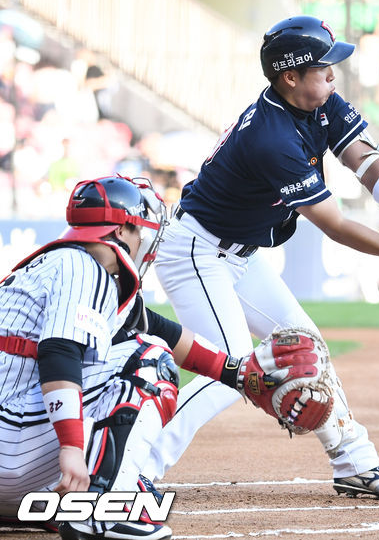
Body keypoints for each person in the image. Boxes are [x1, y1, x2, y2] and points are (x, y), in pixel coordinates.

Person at [144, 15, 379, 500]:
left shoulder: (320, 100)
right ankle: (134, 467)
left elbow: (365, 161)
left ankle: (355, 464)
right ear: (290, 76)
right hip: (197, 252)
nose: (333, 75)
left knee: (308, 348)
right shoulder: (272, 138)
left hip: (239, 254)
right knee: (228, 373)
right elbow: (334, 225)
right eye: (323, 68)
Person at [0, 175, 325, 540]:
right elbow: (58, 353)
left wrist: (234, 373)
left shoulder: (61, 266)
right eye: (140, 228)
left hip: (11, 444)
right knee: (150, 362)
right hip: (11, 446)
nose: (146, 238)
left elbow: (157, 328)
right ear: (121, 229)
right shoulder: (84, 269)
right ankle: (102, 509)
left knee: (138, 349)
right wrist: (73, 448)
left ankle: (67, 493)